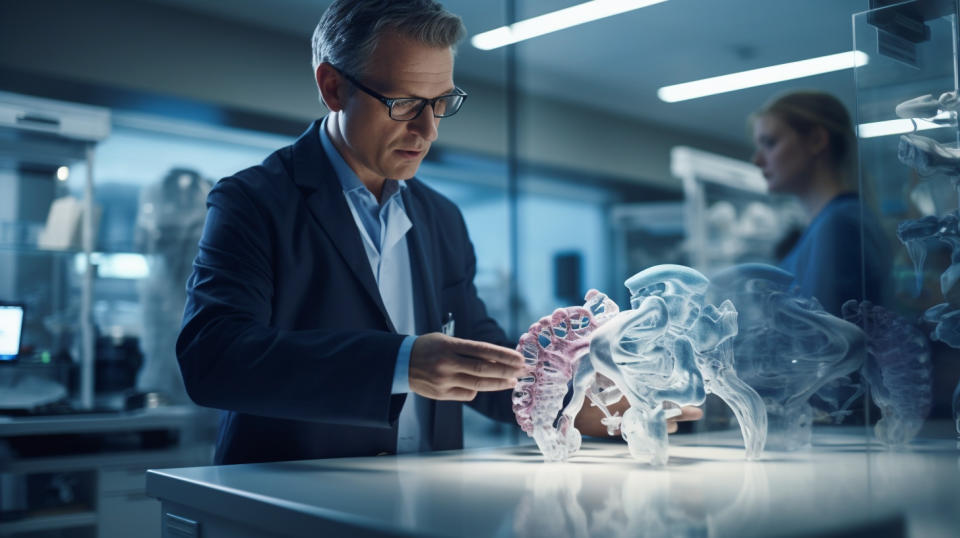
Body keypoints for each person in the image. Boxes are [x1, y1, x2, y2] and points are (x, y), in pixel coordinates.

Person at [177, 0, 699, 465]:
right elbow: (214, 358)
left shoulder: (440, 215)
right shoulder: (254, 199)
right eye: (403, 103)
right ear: (332, 87)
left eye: (441, 102)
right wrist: (400, 363)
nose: (427, 131)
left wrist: (578, 405)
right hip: (293, 500)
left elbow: (479, 362)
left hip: (424, 497)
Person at [750, 90, 889, 315]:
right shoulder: (834, 221)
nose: (757, 160)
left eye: (770, 143)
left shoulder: (838, 224)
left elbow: (827, 340)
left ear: (816, 140)